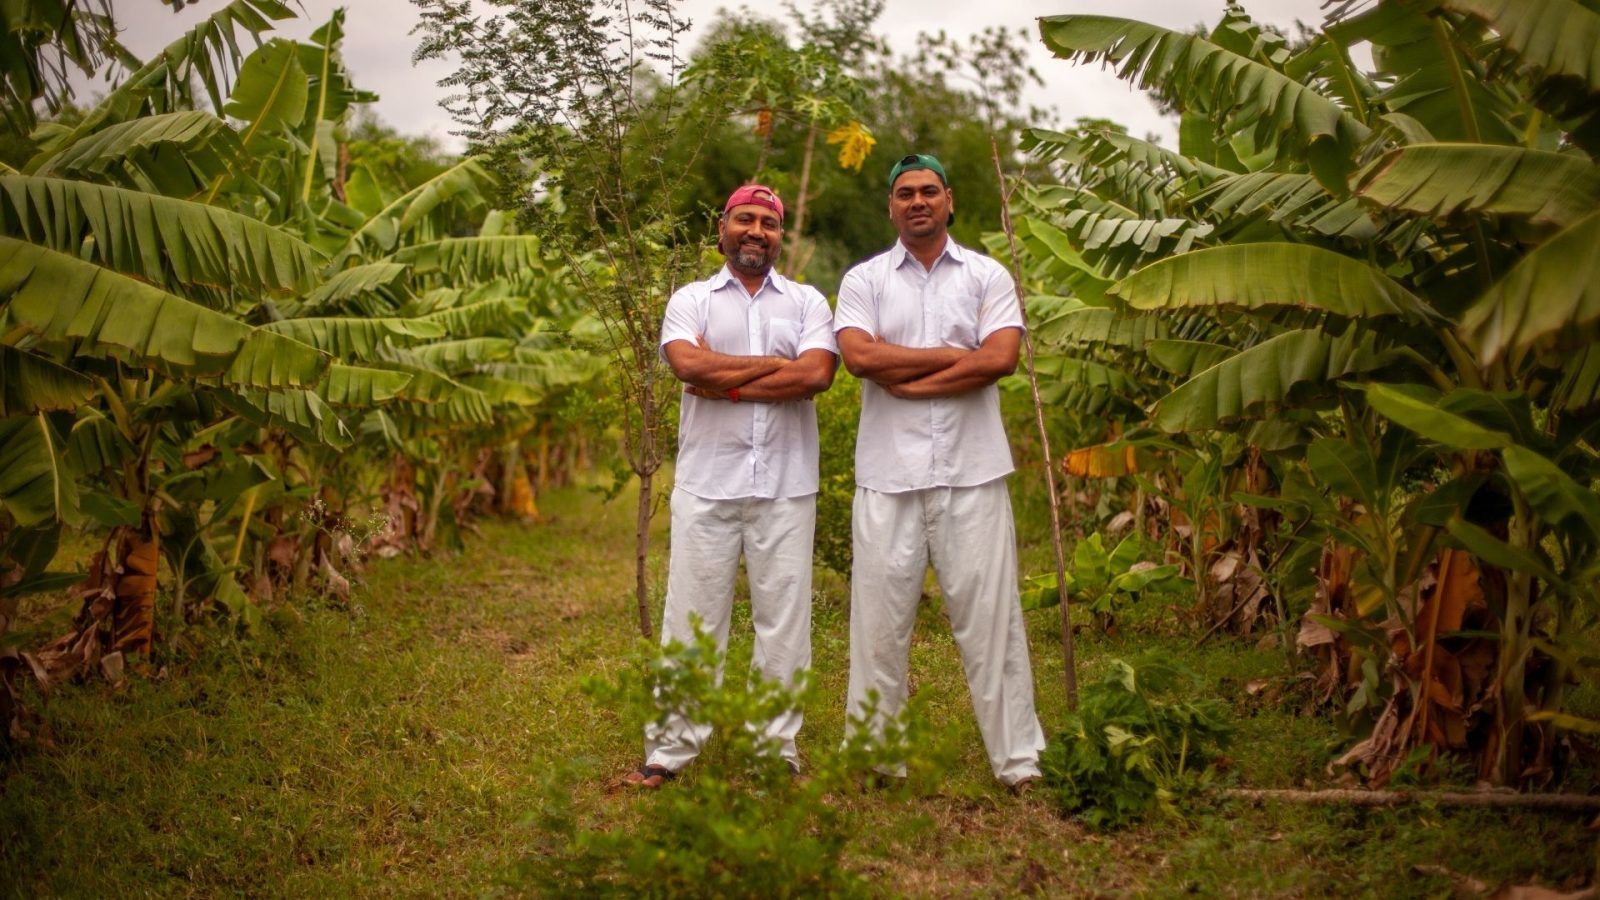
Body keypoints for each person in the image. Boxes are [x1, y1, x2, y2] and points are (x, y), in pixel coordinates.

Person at [833, 154, 1045, 791]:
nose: (917, 201)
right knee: (878, 625)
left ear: (950, 199)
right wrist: (956, 358)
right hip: (886, 475)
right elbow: (858, 356)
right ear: (890, 208)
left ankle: (1019, 763)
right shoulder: (864, 280)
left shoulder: (986, 275)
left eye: (929, 191)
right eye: (904, 194)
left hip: (972, 471)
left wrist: (916, 381)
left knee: (992, 622)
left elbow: (1001, 358)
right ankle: (876, 759)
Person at [622, 184, 838, 788]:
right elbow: (688, 366)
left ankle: (776, 748)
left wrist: (732, 383)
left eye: (768, 224)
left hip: (787, 485)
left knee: (783, 622)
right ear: (722, 228)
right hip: (707, 485)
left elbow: (817, 373)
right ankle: (670, 748)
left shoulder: (807, 302)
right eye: (745, 219)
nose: (755, 232)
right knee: (692, 619)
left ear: (779, 236)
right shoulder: (690, 299)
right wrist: (777, 366)